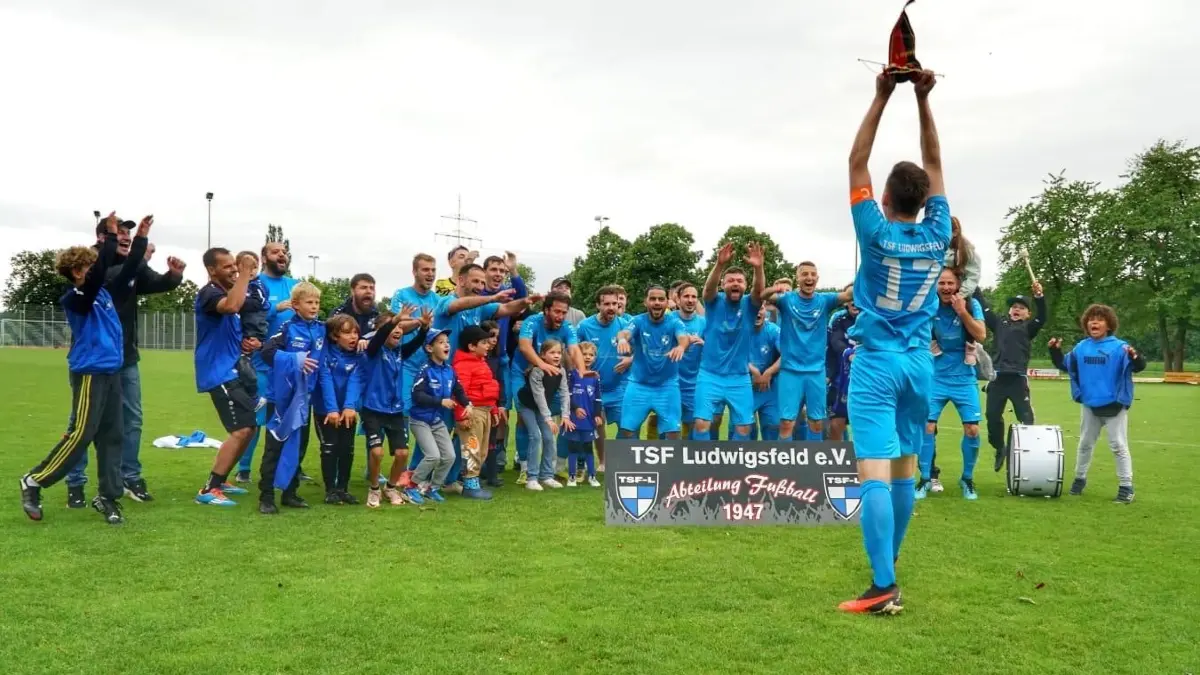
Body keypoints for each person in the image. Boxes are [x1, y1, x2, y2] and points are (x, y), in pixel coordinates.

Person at [839, 68, 949, 614]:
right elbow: (935, 165)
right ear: (926, 201)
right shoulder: (939, 231)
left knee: (875, 473)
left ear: (883, 196)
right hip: (919, 366)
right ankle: (888, 566)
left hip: (878, 364)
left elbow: (856, 160)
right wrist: (924, 102)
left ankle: (882, 585)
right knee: (906, 465)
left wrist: (882, 96)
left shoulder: (875, 232)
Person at [20, 213, 146, 524]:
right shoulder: (77, 297)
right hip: (89, 372)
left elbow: (129, 267)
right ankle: (34, 480)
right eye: (91, 268)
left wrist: (140, 238)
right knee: (82, 434)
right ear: (78, 272)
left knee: (112, 436)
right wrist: (112, 235)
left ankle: (108, 497)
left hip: (110, 372)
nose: (98, 271)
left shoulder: (102, 293)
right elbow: (100, 270)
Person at [65, 216, 183, 507]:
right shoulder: (91, 269)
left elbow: (150, 281)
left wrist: (173, 276)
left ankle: (129, 477)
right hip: (93, 362)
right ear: (104, 237)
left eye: (129, 234)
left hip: (125, 357)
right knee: (82, 424)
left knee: (130, 420)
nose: (126, 237)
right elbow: (119, 270)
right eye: (120, 233)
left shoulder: (130, 264)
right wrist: (141, 249)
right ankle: (75, 483)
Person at [1048, 305, 1144, 504]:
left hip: (1114, 405)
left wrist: (1136, 357)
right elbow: (1064, 365)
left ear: (1108, 325)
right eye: (1091, 319)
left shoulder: (1119, 347)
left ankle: (1126, 487)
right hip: (1090, 405)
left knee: (1118, 445)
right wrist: (1054, 351)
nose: (1094, 322)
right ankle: (1079, 479)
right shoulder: (1081, 347)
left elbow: (1138, 367)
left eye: (1099, 319)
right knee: (1085, 444)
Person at [193, 247, 264, 506]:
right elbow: (232, 305)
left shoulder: (226, 293)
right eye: (228, 266)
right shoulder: (209, 293)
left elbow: (235, 313)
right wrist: (246, 272)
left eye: (235, 265)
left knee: (249, 427)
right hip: (218, 374)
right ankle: (208, 489)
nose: (234, 270)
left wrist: (245, 343)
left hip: (231, 370)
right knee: (241, 429)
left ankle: (221, 481)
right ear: (212, 270)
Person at [917, 269, 987, 500]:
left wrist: (962, 312)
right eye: (942, 283)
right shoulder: (929, 304)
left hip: (963, 378)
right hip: (935, 377)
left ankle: (967, 479)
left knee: (972, 429)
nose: (946, 287)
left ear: (958, 285)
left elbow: (982, 334)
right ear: (936, 286)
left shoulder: (971, 303)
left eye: (950, 283)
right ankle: (925, 479)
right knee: (926, 427)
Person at [763, 263, 852, 441]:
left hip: (816, 372)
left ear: (817, 279)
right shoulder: (787, 300)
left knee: (817, 423)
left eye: (813, 274)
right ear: (798, 278)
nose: (809, 278)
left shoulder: (825, 300)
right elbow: (762, 296)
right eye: (804, 274)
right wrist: (775, 288)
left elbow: (850, 294)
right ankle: (783, 467)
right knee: (787, 423)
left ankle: (814, 467)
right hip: (790, 371)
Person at [239, 241, 300, 483]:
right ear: (264, 258)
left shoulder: (295, 285)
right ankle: (244, 468)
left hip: (289, 366)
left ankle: (289, 466)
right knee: (256, 419)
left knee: (290, 418)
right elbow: (245, 312)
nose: (282, 255)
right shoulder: (257, 284)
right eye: (276, 252)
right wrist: (276, 307)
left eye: (284, 252)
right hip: (260, 364)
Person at [692, 242, 766, 442]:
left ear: (744, 286)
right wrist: (719, 265)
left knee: (744, 428)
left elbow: (759, 292)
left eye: (740, 281)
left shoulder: (750, 305)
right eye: (730, 280)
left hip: (739, 378)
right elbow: (707, 290)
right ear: (723, 285)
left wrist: (758, 267)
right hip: (710, 375)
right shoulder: (714, 302)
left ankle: (733, 471)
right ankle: (700, 469)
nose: (735, 284)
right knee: (701, 424)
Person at [361, 307, 430, 507]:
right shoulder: (373, 349)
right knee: (376, 453)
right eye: (393, 326)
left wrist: (424, 328)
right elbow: (378, 337)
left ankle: (390, 488)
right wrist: (393, 321)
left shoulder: (399, 351)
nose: (398, 330)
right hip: (373, 408)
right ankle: (374, 489)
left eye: (400, 326)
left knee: (402, 454)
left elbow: (416, 343)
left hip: (395, 410)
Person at [514, 293, 585, 482]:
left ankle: (551, 468)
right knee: (523, 417)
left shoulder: (567, 327)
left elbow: (574, 350)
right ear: (546, 310)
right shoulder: (532, 321)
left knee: (560, 416)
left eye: (564, 312)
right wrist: (541, 364)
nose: (560, 316)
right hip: (522, 373)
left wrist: (582, 373)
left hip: (550, 376)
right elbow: (524, 346)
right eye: (557, 311)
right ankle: (524, 466)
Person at [984, 282, 1046, 471]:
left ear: (1027, 314)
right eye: (1014, 307)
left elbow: (1042, 317)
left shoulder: (1029, 328)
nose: (1016, 310)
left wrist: (1039, 298)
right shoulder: (999, 324)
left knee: (1026, 418)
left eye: (1021, 308)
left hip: (1017, 380)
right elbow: (984, 309)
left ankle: (1025, 455)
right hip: (997, 379)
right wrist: (974, 285)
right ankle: (999, 448)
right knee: (992, 416)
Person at [615, 286, 689, 439]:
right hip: (639, 385)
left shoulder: (675, 322)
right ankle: (632, 463)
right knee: (627, 431)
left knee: (673, 433)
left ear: (666, 303)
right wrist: (622, 339)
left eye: (661, 299)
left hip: (667, 385)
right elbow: (624, 332)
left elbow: (684, 338)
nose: (657, 302)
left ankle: (670, 464)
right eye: (653, 299)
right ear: (645, 302)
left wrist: (681, 347)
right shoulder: (638, 321)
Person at [409, 329, 471, 502]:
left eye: (448, 342)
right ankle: (411, 486)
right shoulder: (425, 370)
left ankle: (432, 488)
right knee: (433, 456)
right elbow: (417, 395)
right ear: (429, 348)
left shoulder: (449, 370)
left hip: (436, 420)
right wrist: (440, 401)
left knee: (449, 456)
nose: (447, 345)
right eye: (441, 342)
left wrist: (468, 404)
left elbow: (458, 389)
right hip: (420, 420)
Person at [481, 252, 528, 474]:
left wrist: (514, 270)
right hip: (479, 359)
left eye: (502, 270)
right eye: (494, 269)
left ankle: (497, 454)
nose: (499, 274)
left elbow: (523, 297)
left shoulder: (507, 295)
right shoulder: (480, 294)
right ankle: (471, 458)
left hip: (502, 359)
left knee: (503, 407)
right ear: (484, 272)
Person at [313, 315, 366, 505]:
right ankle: (330, 490)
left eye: (355, 332)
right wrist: (332, 409)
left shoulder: (359, 356)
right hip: (325, 411)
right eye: (346, 332)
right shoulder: (325, 354)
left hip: (348, 411)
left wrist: (349, 406)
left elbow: (356, 380)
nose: (353, 337)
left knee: (347, 449)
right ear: (335, 336)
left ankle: (343, 489)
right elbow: (324, 380)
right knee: (329, 448)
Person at [575, 285, 629, 469]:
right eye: (607, 304)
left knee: (627, 425)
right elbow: (573, 352)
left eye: (615, 303)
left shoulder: (624, 325)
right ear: (598, 305)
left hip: (619, 386)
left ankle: (619, 459)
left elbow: (640, 350)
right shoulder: (584, 326)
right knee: (599, 425)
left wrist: (630, 360)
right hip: (595, 389)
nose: (611, 307)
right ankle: (604, 462)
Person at [452, 325, 501, 500]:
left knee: (481, 450)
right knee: (471, 448)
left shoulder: (481, 363)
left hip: (485, 411)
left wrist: (493, 409)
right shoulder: (464, 365)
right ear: (472, 346)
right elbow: (459, 392)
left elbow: (489, 388)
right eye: (483, 342)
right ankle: (470, 484)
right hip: (473, 412)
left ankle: (471, 481)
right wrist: (462, 416)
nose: (488, 345)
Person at [516, 339, 573, 489]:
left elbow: (565, 393)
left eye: (559, 353)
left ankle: (547, 475)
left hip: (541, 407)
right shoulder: (537, 371)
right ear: (542, 355)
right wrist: (548, 419)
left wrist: (565, 416)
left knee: (549, 438)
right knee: (535, 436)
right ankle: (532, 478)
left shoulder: (561, 371)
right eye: (552, 352)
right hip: (527, 405)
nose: (556, 356)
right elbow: (539, 396)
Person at [565, 342, 603, 487]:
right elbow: (566, 395)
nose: (587, 357)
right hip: (574, 418)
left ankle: (592, 476)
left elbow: (598, 398)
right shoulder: (571, 374)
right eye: (584, 354)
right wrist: (575, 408)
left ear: (594, 358)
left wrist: (597, 414)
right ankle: (572, 477)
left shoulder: (595, 376)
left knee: (588, 447)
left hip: (588, 419)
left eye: (591, 355)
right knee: (573, 447)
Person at [673, 282, 706, 441]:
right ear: (677, 299)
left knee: (696, 425)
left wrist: (704, 344)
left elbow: (715, 352)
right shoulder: (668, 320)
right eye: (686, 296)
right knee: (670, 426)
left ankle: (688, 461)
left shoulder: (704, 323)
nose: (690, 300)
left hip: (695, 384)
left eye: (694, 297)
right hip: (671, 383)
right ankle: (666, 462)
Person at [826, 287, 859, 441]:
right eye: (851, 296)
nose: (854, 301)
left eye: (858, 295)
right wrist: (848, 353)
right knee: (836, 423)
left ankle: (864, 462)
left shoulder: (872, 318)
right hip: (841, 378)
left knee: (865, 423)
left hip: (867, 378)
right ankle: (835, 463)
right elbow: (835, 341)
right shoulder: (838, 318)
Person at [748, 304, 782, 441]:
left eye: (760, 308)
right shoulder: (738, 330)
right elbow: (732, 355)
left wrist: (768, 372)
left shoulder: (773, 330)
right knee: (743, 426)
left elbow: (787, 355)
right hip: (744, 386)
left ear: (765, 312)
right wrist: (754, 371)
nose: (757, 312)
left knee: (773, 425)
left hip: (769, 386)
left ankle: (771, 461)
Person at [332, 273, 381, 346]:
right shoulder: (339, 314)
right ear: (352, 291)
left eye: (372, 288)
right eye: (363, 288)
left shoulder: (377, 316)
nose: (369, 291)